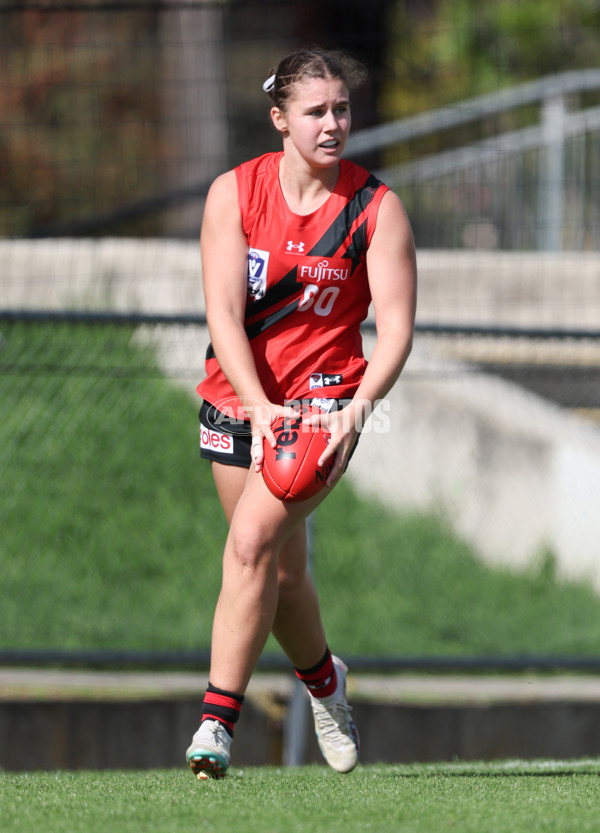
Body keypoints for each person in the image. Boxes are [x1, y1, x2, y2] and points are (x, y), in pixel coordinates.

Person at [186, 46, 417, 779]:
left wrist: (354, 412)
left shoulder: (375, 208)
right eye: (315, 110)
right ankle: (326, 682)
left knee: (251, 543)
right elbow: (222, 310)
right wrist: (256, 411)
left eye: (341, 109)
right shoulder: (235, 193)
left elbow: (399, 330)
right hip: (238, 399)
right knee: (279, 577)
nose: (332, 123)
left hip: (324, 405)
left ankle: (217, 723)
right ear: (280, 118)